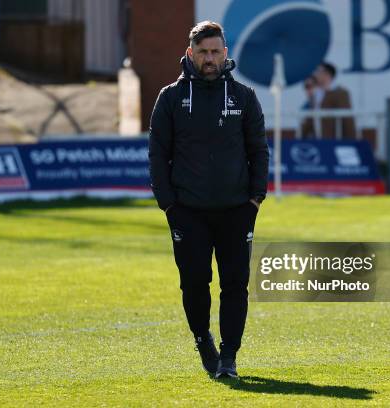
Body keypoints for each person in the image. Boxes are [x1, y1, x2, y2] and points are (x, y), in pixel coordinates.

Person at [148, 21, 269, 379]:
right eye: (202, 52)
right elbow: (158, 154)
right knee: (194, 282)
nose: (210, 59)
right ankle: (203, 340)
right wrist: (168, 204)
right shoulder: (170, 98)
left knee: (235, 284)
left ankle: (229, 357)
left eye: (216, 52)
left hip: (237, 210)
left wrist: (255, 199)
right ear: (190, 54)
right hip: (187, 212)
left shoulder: (244, 97)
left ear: (226, 54)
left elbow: (258, 151)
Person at [300, 62, 356, 139]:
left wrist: (351, 140)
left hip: (334, 139)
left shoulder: (340, 93)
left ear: (327, 74)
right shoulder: (316, 94)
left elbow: (347, 119)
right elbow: (310, 118)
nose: (315, 74)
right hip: (317, 140)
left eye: (318, 71)